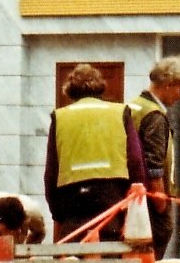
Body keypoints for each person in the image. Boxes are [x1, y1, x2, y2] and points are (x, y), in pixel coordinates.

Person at [44, 64, 146, 243]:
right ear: (101, 86)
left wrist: (57, 214)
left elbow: (51, 171)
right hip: (112, 196)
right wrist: (134, 204)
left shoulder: (60, 117)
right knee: (110, 252)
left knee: (73, 254)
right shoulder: (119, 112)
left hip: (72, 200)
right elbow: (136, 160)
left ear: (69, 89)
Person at [129, 56, 180, 259]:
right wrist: (162, 205)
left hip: (134, 197)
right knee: (153, 250)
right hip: (150, 201)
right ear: (168, 84)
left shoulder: (134, 106)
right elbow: (154, 166)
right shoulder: (154, 116)